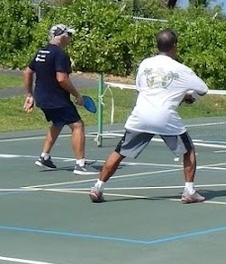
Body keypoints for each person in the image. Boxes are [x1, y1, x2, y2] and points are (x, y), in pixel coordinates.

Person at [89, 29, 209, 204]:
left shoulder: (145, 64)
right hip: (165, 118)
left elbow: (140, 88)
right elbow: (203, 89)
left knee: (120, 151)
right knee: (188, 150)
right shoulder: (182, 70)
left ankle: (97, 187)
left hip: (141, 115)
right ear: (174, 46)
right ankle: (189, 191)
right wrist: (188, 97)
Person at [24, 23, 95, 174]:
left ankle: (44, 157)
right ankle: (80, 164)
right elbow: (62, 79)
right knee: (77, 125)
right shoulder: (61, 55)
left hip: (42, 97)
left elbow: (27, 72)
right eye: (69, 35)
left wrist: (30, 94)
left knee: (58, 123)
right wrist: (77, 95)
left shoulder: (41, 52)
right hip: (56, 98)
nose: (70, 38)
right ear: (62, 36)